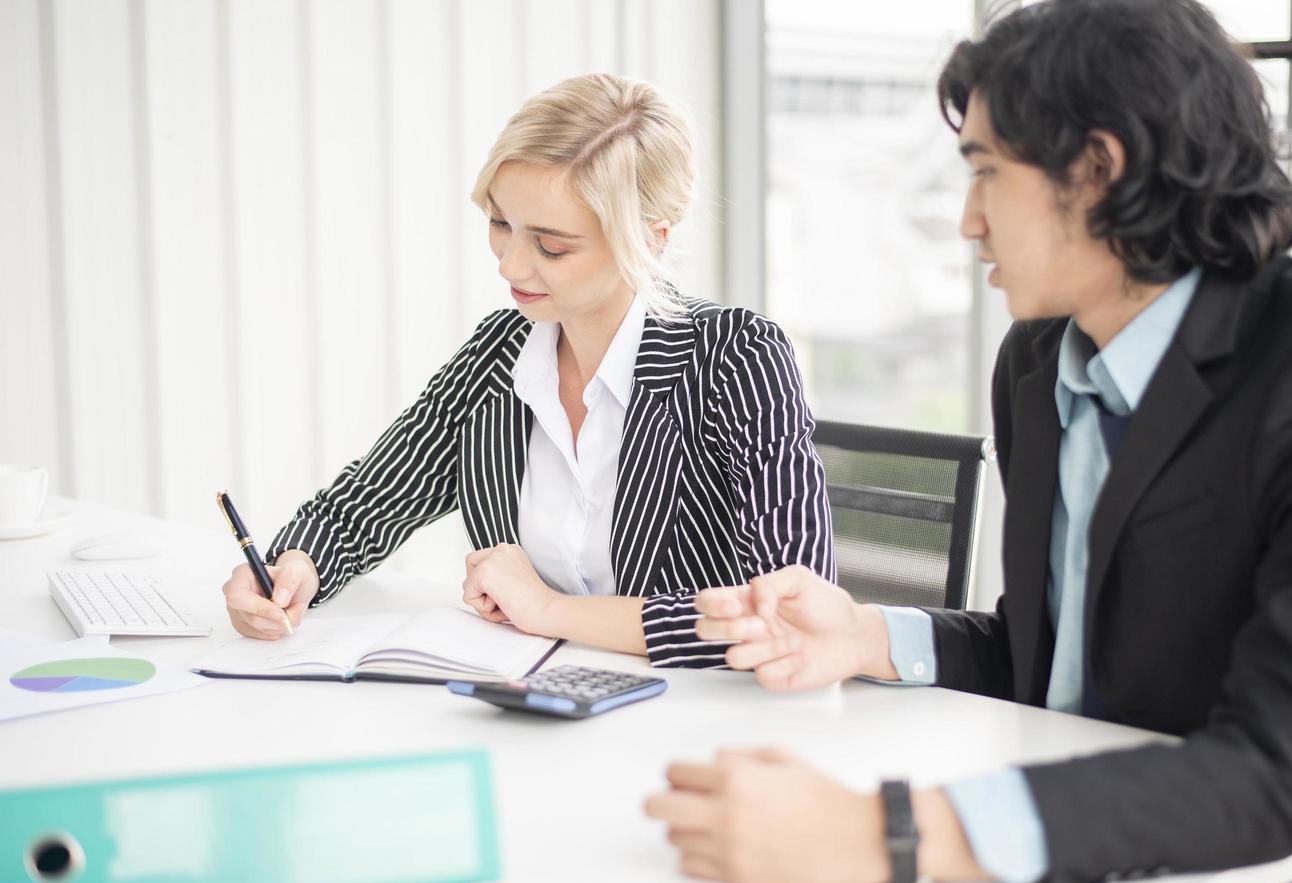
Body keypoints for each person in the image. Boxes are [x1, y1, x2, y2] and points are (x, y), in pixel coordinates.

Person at [644, 1, 1292, 883]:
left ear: (1097, 168)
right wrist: (864, 636)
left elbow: (1281, 772)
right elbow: (1062, 663)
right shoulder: (1038, 361)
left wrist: (887, 832)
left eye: (987, 170)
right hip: (1072, 873)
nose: (965, 218)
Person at [220, 73, 833, 666]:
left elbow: (786, 613)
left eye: (552, 245)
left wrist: (547, 609)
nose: (511, 267)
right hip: (527, 704)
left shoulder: (737, 356)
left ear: (649, 240)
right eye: (500, 224)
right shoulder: (503, 349)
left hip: (695, 718)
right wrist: (295, 567)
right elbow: (363, 508)